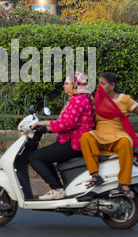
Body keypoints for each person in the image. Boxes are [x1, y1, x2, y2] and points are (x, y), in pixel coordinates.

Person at [80, 72, 138, 199]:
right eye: (99, 83)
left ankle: (124, 183)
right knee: (85, 137)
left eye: (103, 84)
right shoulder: (97, 99)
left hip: (118, 136)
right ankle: (95, 175)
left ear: (112, 85)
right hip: (100, 136)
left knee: (125, 142)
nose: (100, 86)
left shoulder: (124, 100)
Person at [29, 72, 95, 200]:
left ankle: (56, 189)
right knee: (44, 156)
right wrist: (47, 129)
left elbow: (67, 123)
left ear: (75, 84)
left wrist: (42, 123)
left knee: (34, 157)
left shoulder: (78, 100)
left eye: (66, 83)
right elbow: (68, 123)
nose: (64, 86)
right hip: (73, 139)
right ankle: (57, 188)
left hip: (74, 142)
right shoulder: (80, 98)